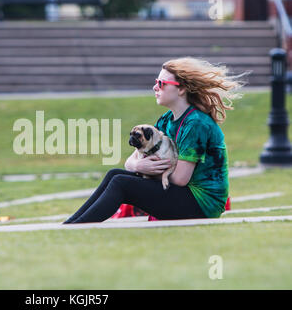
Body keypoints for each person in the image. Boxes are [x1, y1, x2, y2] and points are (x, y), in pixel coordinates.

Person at [64, 57, 247, 224]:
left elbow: (180, 179)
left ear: (181, 89)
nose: (155, 87)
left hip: (201, 204)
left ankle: (76, 228)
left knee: (122, 183)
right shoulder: (166, 120)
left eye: (161, 83)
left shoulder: (196, 123)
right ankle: (69, 225)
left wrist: (151, 171)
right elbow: (131, 160)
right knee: (114, 174)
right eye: (156, 82)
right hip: (181, 193)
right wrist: (139, 167)